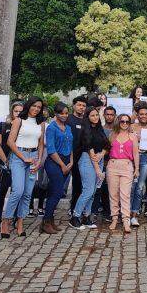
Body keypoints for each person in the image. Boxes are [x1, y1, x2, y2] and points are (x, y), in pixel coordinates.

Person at [2, 97, 46, 238]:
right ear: (29, 106)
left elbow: (40, 144)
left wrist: (39, 160)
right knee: (18, 191)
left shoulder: (41, 124)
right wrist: (23, 157)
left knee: (28, 193)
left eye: (39, 107)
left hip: (33, 156)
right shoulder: (19, 121)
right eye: (34, 106)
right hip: (18, 156)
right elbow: (10, 141)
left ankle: (20, 221)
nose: (36, 109)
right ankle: (6, 220)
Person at [70, 106, 109, 230]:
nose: (95, 117)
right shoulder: (85, 130)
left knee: (93, 192)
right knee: (87, 190)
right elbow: (89, 148)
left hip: (99, 159)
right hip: (88, 160)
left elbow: (107, 145)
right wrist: (98, 169)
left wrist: (102, 154)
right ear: (87, 117)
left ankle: (86, 217)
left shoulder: (99, 129)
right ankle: (75, 216)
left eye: (97, 115)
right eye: (92, 115)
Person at [41, 102, 73, 234]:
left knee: (56, 192)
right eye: (62, 113)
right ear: (56, 114)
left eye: (66, 113)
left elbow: (71, 145)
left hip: (67, 161)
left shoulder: (68, 128)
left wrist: (71, 162)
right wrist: (62, 165)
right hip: (55, 162)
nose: (64, 115)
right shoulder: (52, 128)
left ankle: (49, 219)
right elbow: (51, 149)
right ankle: (46, 221)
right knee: (56, 192)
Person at [0, 101, 23, 230]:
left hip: (19, 162)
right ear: (11, 112)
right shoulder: (4, 125)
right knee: (1, 191)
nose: (18, 113)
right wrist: (5, 160)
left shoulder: (25, 127)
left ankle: (14, 217)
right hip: (4, 163)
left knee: (17, 191)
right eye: (16, 111)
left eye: (21, 111)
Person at [107, 113, 139, 232]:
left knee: (125, 194)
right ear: (118, 122)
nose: (124, 123)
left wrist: (137, 169)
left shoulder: (132, 136)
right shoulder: (112, 135)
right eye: (122, 121)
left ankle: (126, 220)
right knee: (113, 194)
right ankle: (114, 218)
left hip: (127, 165)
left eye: (127, 121)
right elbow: (106, 149)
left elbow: (135, 153)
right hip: (113, 165)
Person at [130, 102, 147, 227]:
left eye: (146, 114)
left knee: (139, 188)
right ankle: (126, 214)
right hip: (131, 159)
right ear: (137, 115)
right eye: (141, 114)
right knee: (130, 187)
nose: (143, 116)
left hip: (144, 158)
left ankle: (134, 215)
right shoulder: (131, 127)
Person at [67, 96, 87, 214]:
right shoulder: (68, 119)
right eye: (79, 105)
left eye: (84, 106)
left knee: (78, 184)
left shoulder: (86, 120)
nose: (81, 107)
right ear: (74, 105)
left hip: (81, 157)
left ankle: (74, 208)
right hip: (67, 156)